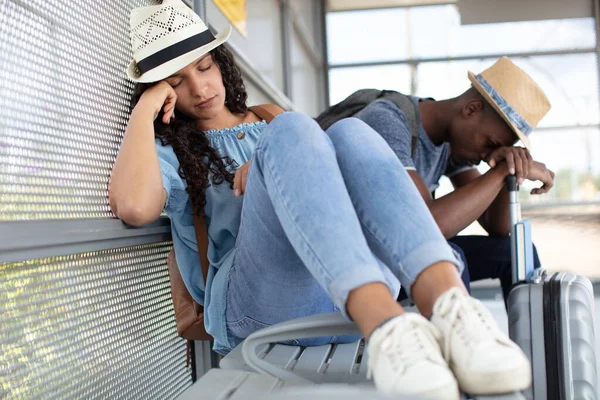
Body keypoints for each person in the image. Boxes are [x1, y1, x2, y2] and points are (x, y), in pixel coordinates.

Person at [109, 1, 531, 398]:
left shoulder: (268, 117)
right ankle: (387, 325)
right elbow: (133, 206)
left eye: (205, 66)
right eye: (177, 82)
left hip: (336, 289)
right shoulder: (171, 150)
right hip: (261, 306)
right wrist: (146, 108)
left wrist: (274, 161)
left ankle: (448, 304)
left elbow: (323, 183)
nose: (200, 88)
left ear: (221, 63)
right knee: (295, 129)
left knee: (351, 133)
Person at [318, 58, 553, 304]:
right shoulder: (388, 121)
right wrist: (498, 172)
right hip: (352, 266)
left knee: (511, 253)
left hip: (392, 257)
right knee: (452, 258)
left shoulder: (449, 143)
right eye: (491, 144)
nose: (487, 157)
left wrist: (512, 168)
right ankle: (462, 340)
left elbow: (497, 226)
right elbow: (428, 226)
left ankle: (536, 341)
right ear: (471, 109)